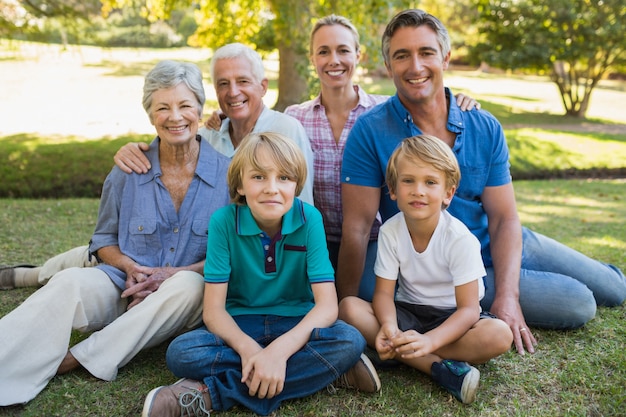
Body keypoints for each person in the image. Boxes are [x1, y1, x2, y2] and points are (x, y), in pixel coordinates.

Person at [338, 8, 626, 356]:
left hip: (500, 238)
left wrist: (509, 297)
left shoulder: (483, 125)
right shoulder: (371, 130)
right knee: (578, 303)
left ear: (444, 57)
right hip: (454, 271)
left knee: (614, 289)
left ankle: (511, 285)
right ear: (388, 65)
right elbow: (357, 227)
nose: (415, 66)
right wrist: (345, 312)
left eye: (426, 52)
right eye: (402, 56)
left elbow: (504, 218)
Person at [0, 60, 231, 406]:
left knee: (189, 285)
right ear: (150, 115)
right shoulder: (128, 169)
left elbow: (229, 257)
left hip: (180, 301)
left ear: (199, 108)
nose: (175, 116)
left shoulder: (229, 176)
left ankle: (79, 357)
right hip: (123, 287)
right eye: (162, 107)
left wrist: (171, 274)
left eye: (184, 105)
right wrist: (129, 267)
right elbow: (103, 241)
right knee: (69, 283)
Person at [204, 15, 479, 300]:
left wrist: (455, 99)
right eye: (323, 51)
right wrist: (224, 115)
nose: (334, 60)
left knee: (368, 295)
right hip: (314, 237)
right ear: (312, 58)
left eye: (343, 50)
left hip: (370, 239)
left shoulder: (385, 112)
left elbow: (424, 107)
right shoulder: (295, 118)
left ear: (358, 55)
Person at [141, 132, 380, 417]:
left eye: (284, 178)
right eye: (258, 177)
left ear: (296, 185)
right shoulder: (224, 222)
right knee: (182, 352)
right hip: (241, 326)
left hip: (297, 326)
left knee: (349, 340)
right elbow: (214, 312)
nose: (271, 188)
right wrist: (252, 353)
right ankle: (328, 373)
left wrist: (278, 352)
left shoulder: (310, 219)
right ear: (240, 184)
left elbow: (327, 305)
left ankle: (211, 395)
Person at [339, 135, 513, 404]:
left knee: (499, 335)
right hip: (408, 312)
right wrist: (389, 327)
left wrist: (430, 341)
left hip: (453, 318)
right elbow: (384, 294)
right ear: (393, 189)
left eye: (430, 182)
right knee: (349, 307)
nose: (418, 190)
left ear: (448, 193)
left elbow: (468, 310)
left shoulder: (459, 239)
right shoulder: (390, 231)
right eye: (408, 181)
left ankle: (409, 355)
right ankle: (441, 369)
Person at [114, 43, 314, 206]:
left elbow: (303, 206)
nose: (233, 92)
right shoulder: (207, 137)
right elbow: (166, 151)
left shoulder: (287, 130)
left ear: (262, 87)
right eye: (223, 83)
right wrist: (133, 152)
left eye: (243, 81)